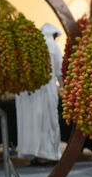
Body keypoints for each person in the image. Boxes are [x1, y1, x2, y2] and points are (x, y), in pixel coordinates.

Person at [15, 23, 63, 164]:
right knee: (47, 124)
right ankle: (46, 156)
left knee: (31, 125)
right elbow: (61, 70)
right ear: (53, 35)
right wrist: (67, 87)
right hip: (45, 90)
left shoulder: (27, 45)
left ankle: (32, 154)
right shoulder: (53, 46)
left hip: (26, 91)